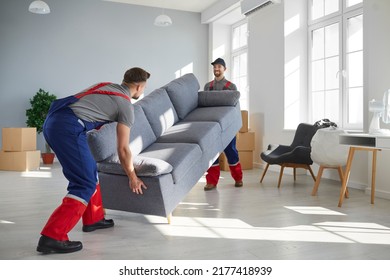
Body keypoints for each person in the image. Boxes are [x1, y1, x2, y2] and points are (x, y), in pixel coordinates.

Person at [36, 67, 150, 254]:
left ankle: (93, 219)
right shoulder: (125, 105)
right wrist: (132, 176)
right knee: (84, 182)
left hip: (54, 122)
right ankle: (52, 236)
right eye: (144, 87)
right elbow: (122, 149)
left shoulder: (105, 86)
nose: (143, 91)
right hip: (68, 128)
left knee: (89, 172)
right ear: (138, 86)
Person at [203, 58, 243, 191]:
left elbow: (234, 109)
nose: (216, 69)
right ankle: (211, 182)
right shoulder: (207, 87)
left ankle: (238, 178)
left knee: (231, 152)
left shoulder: (231, 87)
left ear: (225, 69)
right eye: (214, 67)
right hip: (212, 126)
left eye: (219, 67)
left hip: (227, 126)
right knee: (211, 154)